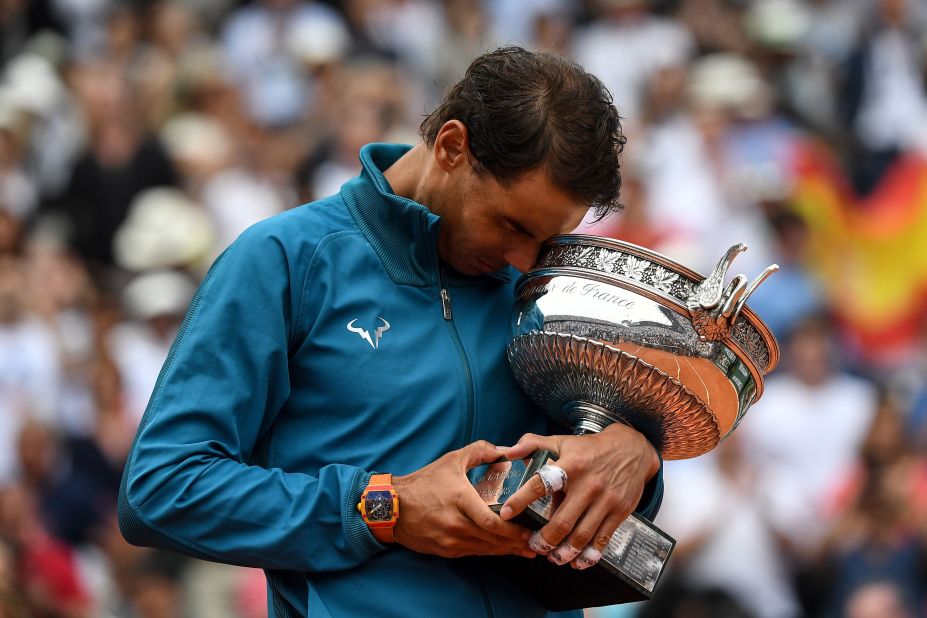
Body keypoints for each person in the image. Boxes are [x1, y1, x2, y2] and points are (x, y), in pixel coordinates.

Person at [118, 46, 663, 618]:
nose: (528, 262)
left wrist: (634, 456)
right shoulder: (286, 260)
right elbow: (161, 487)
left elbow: (596, 485)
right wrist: (384, 507)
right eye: (511, 225)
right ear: (452, 147)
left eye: (549, 239)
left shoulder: (555, 283)